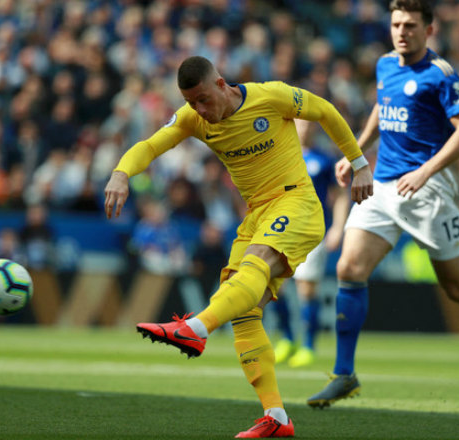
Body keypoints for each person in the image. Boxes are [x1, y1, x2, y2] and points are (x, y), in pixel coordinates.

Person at [104, 55, 373, 438]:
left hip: (296, 203)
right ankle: (276, 417)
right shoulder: (193, 119)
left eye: (202, 99)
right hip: (256, 216)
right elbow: (149, 146)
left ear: (221, 84)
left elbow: (325, 110)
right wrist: (120, 173)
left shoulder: (270, 97)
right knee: (245, 312)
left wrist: (359, 163)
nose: (198, 109)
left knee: (254, 265)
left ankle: (196, 328)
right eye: (190, 102)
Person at [306, 0, 459, 409]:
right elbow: (382, 109)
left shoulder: (440, 75)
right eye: (396, 24)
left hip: (429, 191)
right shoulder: (386, 64)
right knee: (349, 267)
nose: (402, 32)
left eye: (411, 25)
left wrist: (425, 171)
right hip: (383, 187)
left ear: (429, 30)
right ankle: (344, 374)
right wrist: (357, 153)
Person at [272, 119, 350, 368]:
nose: (304, 128)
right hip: (283, 231)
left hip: (312, 231)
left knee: (307, 288)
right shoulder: (279, 155)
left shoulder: (324, 160)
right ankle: (286, 338)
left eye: (308, 124)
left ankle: (308, 345)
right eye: (299, 124)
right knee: (273, 285)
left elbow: (338, 196)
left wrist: (338, 227)